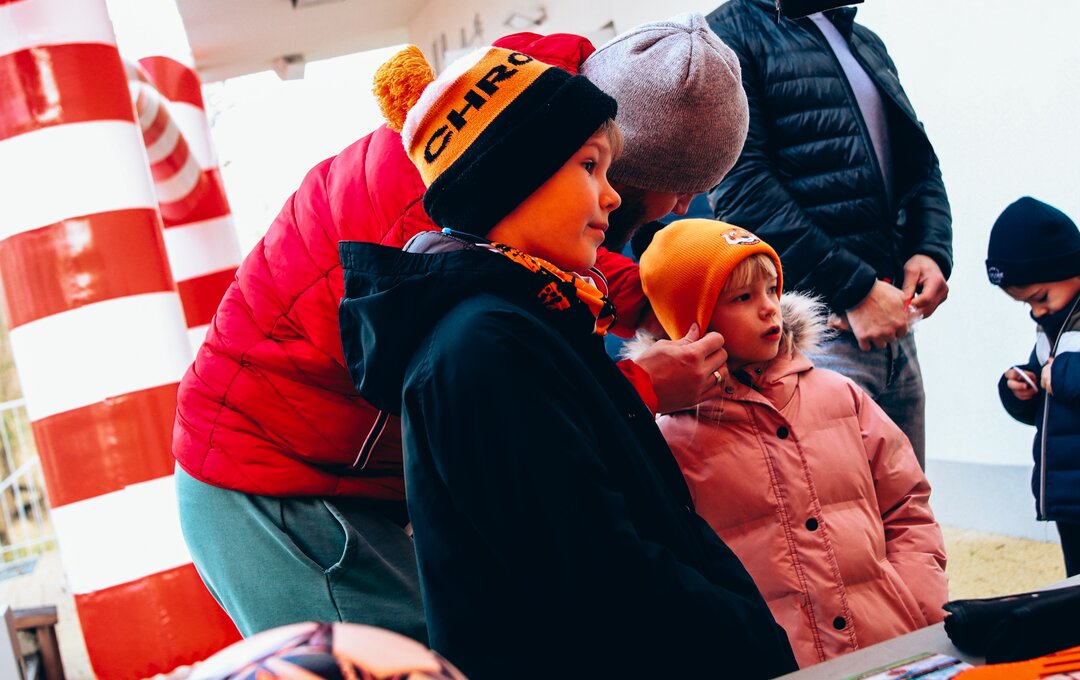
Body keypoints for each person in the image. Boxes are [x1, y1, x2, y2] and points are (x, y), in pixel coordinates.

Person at [173, 16, 751, 640]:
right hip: (272, 480)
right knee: (405, 663)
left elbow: (558, 269)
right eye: (679, 189)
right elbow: (513, 419)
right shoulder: (449, 260)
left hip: (326, 468)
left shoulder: (503, 142)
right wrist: (641, 387)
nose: (682, 208)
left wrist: (701, 293)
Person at [337, 45, 797, 680]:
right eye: (589, 165)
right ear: (513, 175)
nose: (611, 196)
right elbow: (595, 572)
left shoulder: (533, 321)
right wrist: (747, 640)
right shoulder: (486, 347)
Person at [635, 219, 948, 668]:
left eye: (771, 290)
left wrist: (918, 604)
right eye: (743, 298)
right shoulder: (668, 436)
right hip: (776, 663)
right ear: (692, 320)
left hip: (889, 644)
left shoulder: (840, 395)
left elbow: (907, 505)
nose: (769, 309)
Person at [705, 0, 953, 468]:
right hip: (819, 335)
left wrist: (930, 248)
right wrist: (855, 290)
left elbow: (919, 162)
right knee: (834, 508)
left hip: (893, 327)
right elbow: (742, 192)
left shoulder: (863, 39)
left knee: (909, 505)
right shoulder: (727, 35)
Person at [987, 197, 1080, 577]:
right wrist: (1021, 390)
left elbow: (1061, 377)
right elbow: (1049, 396)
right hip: (1068, 495)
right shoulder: (1051, 327)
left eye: (1040, 297)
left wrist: (1061, 376)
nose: (1037, 311)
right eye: (1026, 303)